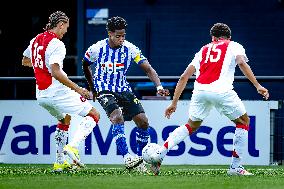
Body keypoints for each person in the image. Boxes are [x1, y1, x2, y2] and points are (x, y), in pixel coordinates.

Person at [149, 23, 269, 176]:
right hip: (222, 90)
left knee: (191, 125)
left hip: (200, 91)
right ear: (229, 37)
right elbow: (241, 62)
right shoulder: (234, 45)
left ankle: (160, 152)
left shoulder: (203, 49)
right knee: (243, 122)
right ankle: (235, 168)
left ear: (213, 37)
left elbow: (184, 77)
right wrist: (257, 85)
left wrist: (174, 103)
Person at [82, 16, 169, 171]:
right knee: (117, 117)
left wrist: (159, 87)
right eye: (118, 36)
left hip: (123, 89)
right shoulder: (96, 48)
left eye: (123, 36)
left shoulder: (131, 49)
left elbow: (148, 68)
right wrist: (92, 87)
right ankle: (127, 157)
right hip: (104, 88)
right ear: (109, 34)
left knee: (143, 121)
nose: (121, 39)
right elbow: (85, 64)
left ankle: (140, 160)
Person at [22, 11, 100, 172]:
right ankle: (73, 147)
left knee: (65, 119)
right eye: (66, 28)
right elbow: (56, 72)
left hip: (41, 96)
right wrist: (79, 89)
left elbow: (25, 61)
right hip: (56, 92)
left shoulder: (36, 40)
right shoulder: (57, 44)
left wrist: (41, 65)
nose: (66, 31)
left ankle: (59, 162)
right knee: (94, 114)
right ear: (61, 24)